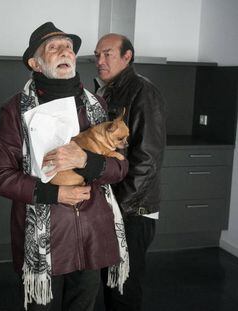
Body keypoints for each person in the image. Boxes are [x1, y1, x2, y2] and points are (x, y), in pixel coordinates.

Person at [0, 22, 128, 311]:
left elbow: (120, 170)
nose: (65, 52)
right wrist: (55, 194)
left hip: (93, 231)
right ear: (35, 63)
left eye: (69, 48)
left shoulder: (97, 106)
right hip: (46, 238)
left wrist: (86, 160)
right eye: (54, 47)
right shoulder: (15, 110)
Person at [94, 34, 166, 311]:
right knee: (111, 280)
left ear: (128, 56)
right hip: (113, 206)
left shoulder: (143, 91)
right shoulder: (106, 91)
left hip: (132, 210)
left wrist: (120, 207)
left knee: (123, 285)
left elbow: (147, 160)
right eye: (97, 54)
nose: (100, 60)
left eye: (108, 54)